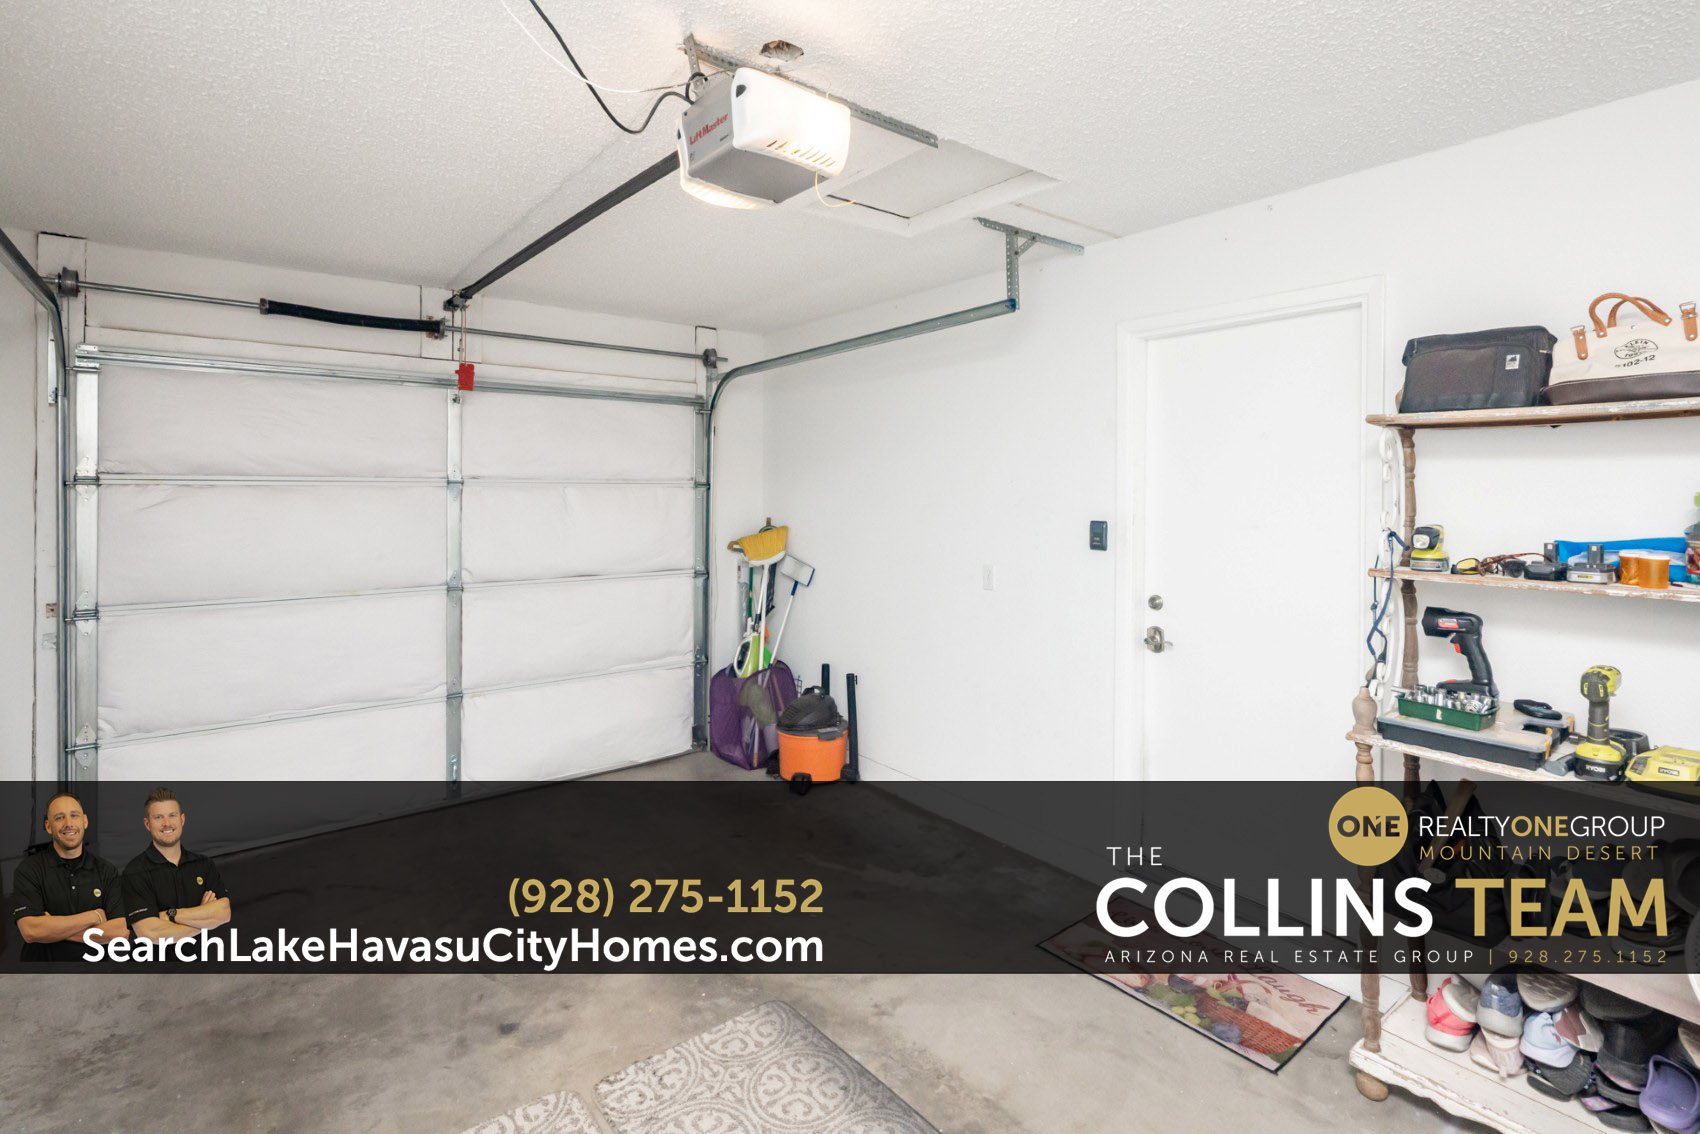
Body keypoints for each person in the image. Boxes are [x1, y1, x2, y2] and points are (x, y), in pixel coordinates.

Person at [11, 791, 129, 961]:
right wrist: (93, 916)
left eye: (74, 816)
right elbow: (31, 931)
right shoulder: (29, 870)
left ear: (84, 821)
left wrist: (52, 930)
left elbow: (119, 932)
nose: (68, 824)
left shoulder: (106, 870)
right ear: (48, 826)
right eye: (59, 818)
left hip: (95, 972)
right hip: (43, 972)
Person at [122, 787, 231, 941]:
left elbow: (223, 913)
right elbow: (151, 934)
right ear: (147, 824)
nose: (167, 823)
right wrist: (205, 920)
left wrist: (170, 915)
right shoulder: (135, 872)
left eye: (172, 815)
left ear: (182, 820)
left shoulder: (203, 864)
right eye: (158, 817)